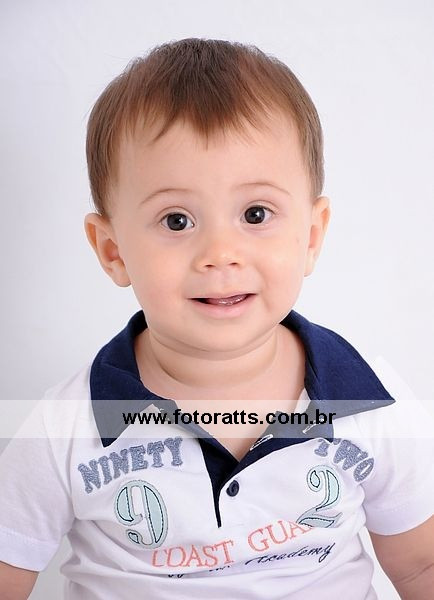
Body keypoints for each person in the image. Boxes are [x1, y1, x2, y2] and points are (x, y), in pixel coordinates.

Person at [0, 38, 433, 600]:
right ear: (112, 250)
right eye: (176, 221)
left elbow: (421, 567)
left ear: (310, 236)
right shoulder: (66, 426)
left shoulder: (369, 400)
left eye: (255, 213)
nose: (220, 253)